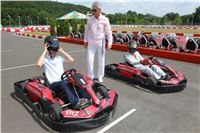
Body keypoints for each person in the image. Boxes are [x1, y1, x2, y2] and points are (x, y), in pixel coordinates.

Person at [36, 36, 86, 109]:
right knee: (65, 83)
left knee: (75, 78)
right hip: (53, 85)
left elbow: (71, 60)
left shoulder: (59, 58)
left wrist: (62, 51)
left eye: (56, 51)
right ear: (49, 50)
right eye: (53, 51)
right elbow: (38, 64)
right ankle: (76, 103)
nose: (55, 53)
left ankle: (86, 98)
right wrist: (44, 51)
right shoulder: (45, 60)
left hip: (63, 81)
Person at [84, 1, 112, 83]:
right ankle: (90, 76)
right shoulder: (90, 20)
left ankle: (100, 76)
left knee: (101, 59)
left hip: (101, 42)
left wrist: (110, 43)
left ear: (99, 10)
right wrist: (85, 41)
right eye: (92, 10)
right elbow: (86, 31)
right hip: (91, 42)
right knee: (89, 59)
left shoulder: (105, 19)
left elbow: (108, 32)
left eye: (94, 10)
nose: (93, 12)